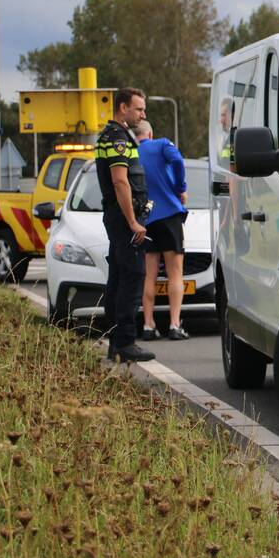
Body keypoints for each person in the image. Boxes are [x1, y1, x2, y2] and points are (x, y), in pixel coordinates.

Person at [95, 87, 154, 363]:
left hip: (118, 217)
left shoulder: (114, 135)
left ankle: (116, 342)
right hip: (123, 219)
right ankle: (125, 342)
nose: (142, 114)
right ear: (123, 108)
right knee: (133, 274)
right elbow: (120, 181)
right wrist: (132, 221)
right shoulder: (118, 138)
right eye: (138, 109)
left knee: (119, 277)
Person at [135, 120, 190, 341]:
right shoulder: (162, 144)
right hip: (169, 215)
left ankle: (148, 325)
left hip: (147, 218)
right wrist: (180, 188)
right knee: (175, 272)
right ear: (150, 133)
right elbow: (177, 160)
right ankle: (174, 325)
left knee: (149, 274)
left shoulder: (132, 152)